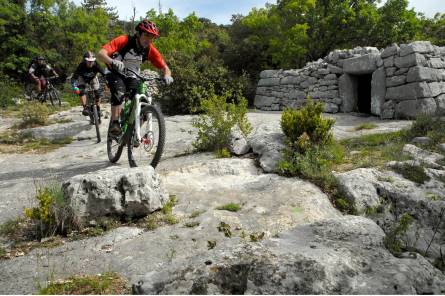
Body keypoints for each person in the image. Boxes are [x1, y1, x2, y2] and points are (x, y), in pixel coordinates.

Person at [97, 19, 173, 135]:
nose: (149, 39)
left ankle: (133, 133)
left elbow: (165, 67)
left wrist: (167, 75)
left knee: (146, 105)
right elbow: (100, 54)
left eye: (152, 37)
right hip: (114, 72)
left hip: (132, 75)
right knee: (119, 92)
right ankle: (115, 123)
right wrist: (111, 61)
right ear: (139, 34)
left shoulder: (149, 49)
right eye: (146, 35)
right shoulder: (124, 40)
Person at [71, 51, 106, 117]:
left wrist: (107, 81)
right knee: (81, 91)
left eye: (92, 61)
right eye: (89, 61)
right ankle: (85, 108)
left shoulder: (96, 65)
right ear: (85, 60)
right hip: (83, 78)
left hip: (93, 78)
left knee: (98, 92)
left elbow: (104, 73)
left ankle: (98, 109)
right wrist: (74, 86)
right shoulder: (81, 66)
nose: (91, 62)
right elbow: (74, 78)